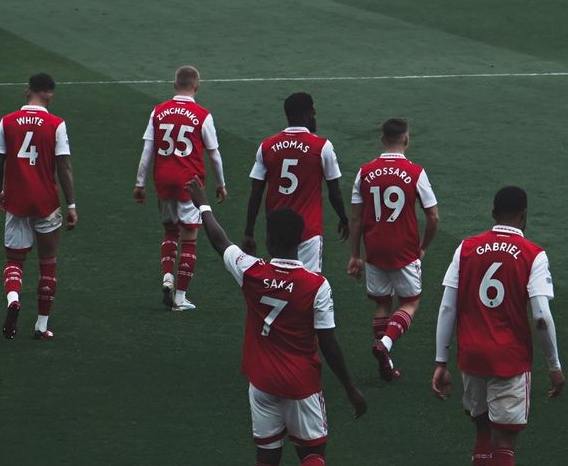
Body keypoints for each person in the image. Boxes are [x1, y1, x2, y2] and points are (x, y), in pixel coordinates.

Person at [190, 181, 366, 466]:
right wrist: (351, 388)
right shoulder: (316, 285)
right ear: (301, 240)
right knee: (313, 453)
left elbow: (220, 241)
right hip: (301, 384)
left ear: (269, 239)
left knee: (266, 460)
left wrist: (203, 205)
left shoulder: (252, 271)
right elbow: (329, 343)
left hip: (262, 382)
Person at [432, 184, 564, 466]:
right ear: (523, 214)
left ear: (493, 212)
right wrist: (554, 365)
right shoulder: (533, 254)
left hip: (471, 357)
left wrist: (441, 362)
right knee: (504, 443)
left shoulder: (465, 248)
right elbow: (540, 315)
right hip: (509, 359)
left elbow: (446, 308)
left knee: (482, 431)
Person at [348, 116, 439, 381]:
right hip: (404, 250)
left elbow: (356, 218)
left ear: (382, 139)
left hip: (374, 250)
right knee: (410, 301)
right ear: (406, 139)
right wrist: (424, 246)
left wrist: (355, 255)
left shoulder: (364, 171)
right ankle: (385, 345)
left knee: (382, 302)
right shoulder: (415, 172)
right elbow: (433, 216)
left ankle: (385, 360)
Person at [134, 65, 227, 311]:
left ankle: (167, 276)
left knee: (169, 232)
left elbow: (147, 151)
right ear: (196, 87)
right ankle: (180, 297)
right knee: (190, 237)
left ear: (175, 85)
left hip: (163, 181)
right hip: (190, 183)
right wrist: (221, 184)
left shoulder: (158, 111)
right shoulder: (203, 115)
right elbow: (214, 155)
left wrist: (140, 184)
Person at [0, 73, 77, 341]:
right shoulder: (56, 124)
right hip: (46, 202)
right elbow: (64, 167)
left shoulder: (7, 122)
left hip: (16, 200)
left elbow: (0, 160)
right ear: (49, 93)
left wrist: (0, 192)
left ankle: (13, 299)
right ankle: (41, 326)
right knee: (48, 263)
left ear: (27, 91)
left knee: (14, 260)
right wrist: (72, 204)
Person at [244, 91, 348, 272]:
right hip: (308, 231)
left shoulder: (267, 146)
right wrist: (343, 218)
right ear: (307, 114)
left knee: (283, 283)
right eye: (313, 113)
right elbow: (334, 192)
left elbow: (256, 193)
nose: (315, 117)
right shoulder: (322, 147)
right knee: (309, 286)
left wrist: (248, 232)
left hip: (277, 232)